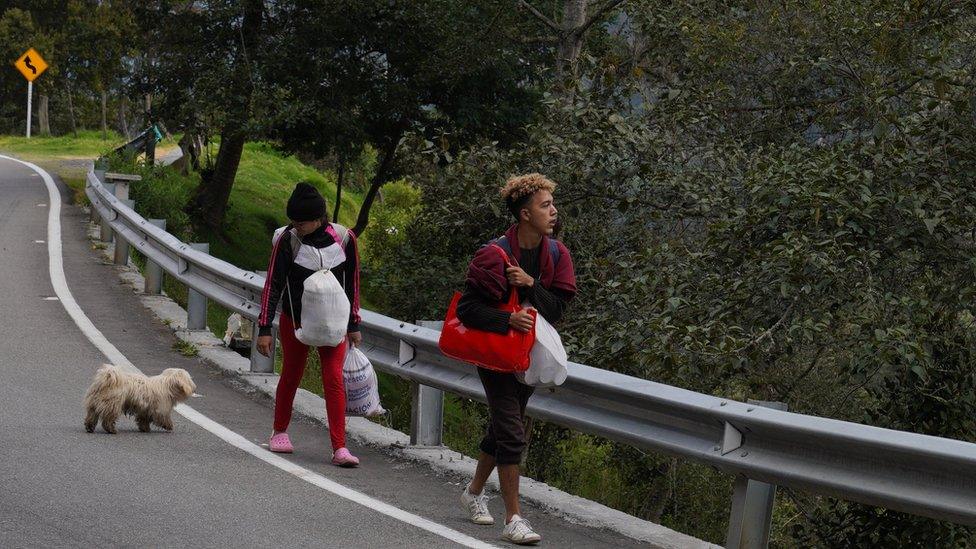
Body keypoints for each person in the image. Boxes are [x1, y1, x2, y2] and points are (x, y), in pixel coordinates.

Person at [456, 173, 577, 545]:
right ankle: (513, 519)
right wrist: (506, 318)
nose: (554, 211)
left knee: (504, 428)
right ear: (525, 214)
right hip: (495, 355)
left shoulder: (556, 254)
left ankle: (473, 492)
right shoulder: (493, 255)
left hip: (529, 356)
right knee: (511, 430)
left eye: (552, 205)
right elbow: (467, 310)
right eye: (545, 206)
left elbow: (556, 309)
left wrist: (530, 285)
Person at [256, 182, 363, 467]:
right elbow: (273, 284)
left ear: (318, 218)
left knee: (333, 379)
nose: (296, 225)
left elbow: (352, 283)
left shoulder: (344, 239)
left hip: (333, 324)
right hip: (296, 320)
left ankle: (340, 447)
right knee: (292, 372)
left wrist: (354, 324)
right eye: (293, 221)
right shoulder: (288, 240)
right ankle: (279, 432)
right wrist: (265, 327)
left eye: (301, 221)